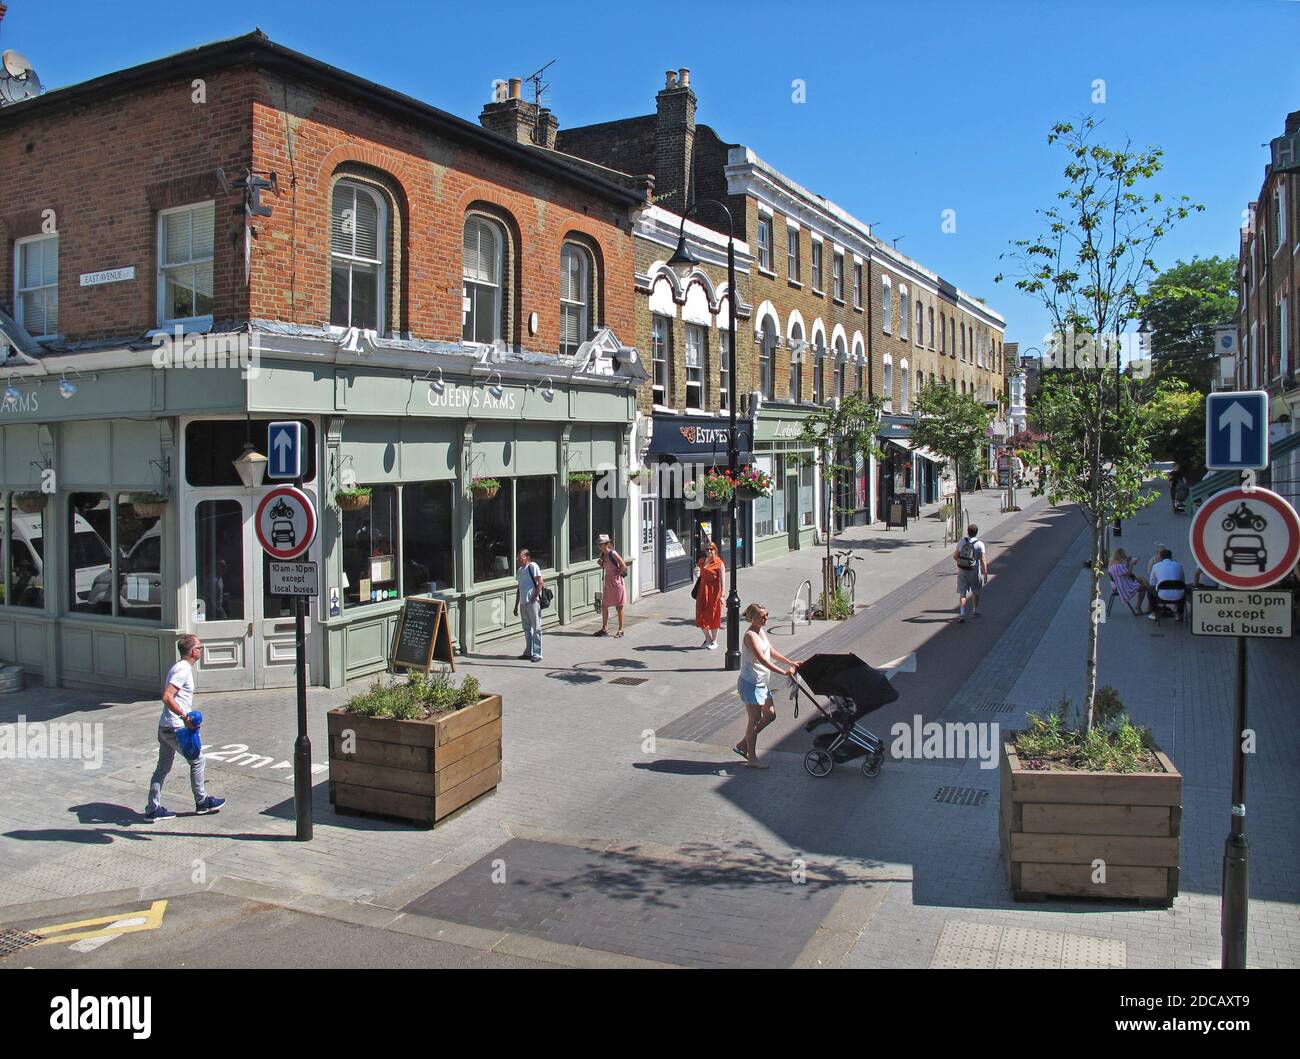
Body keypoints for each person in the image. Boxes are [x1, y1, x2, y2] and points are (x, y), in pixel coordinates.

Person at [143, 635, 225, 821]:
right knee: (197, 760)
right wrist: (185, 717)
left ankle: (152, 809)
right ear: (193, 651)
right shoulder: (182, 670)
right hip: (176, 728)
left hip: (166, 726)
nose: (202, 650)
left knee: (162, 767)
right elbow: (167, 696)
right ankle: (202, 802)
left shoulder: (179, 668)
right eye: (200, 647)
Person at [732, 603, 799, 769]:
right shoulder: (750, 635)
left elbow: (770, 650)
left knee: (770, 715)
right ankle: (752, 758)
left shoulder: (760, 631)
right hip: (750, 684)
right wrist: (784, 672)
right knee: (754, 720)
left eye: (766, 614)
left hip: (761, 683)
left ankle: (742, 745)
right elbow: (762, 659)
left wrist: (789, 662)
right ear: (752, 617)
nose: (766, 618)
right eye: (762, 616)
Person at [513, 548, 544, 662]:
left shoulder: (533, 566)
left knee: (536, 628)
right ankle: (528, 652)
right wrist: (516, 605)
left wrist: (535, 597)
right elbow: (519, 588)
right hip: (523, 602)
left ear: (527, 557)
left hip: (532, 602)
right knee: (526, 629)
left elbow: (540, 582)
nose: (518, 560)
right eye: (518, 558)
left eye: (520, 558)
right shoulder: (520, 570)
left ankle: (537, 653)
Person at [953, 523, 988, 622]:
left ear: (967, 532)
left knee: (962, 593)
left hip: (962, 570)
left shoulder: (962, 542)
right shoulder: (980, 544)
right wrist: (985, 574)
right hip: (974, 570)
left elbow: (955, 556)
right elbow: (983, 560)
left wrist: (962, 563)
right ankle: (975, 609)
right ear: (976, 532)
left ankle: (962, 613)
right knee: (976, 590)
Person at [594, 534, 627, 637]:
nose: (599, 546)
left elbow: (623, 565)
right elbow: (606, 566)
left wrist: (617, 574)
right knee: (604, 606)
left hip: (616, 583)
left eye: (601, 544)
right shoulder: (602, 555)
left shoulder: (613, 553)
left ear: (607, 544)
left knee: (619, 606)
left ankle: (621, 629)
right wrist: (600, 563)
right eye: (599, 544)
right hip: (608, 583)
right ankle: (604, 628)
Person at [694, 539, 725, 649]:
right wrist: (696, 572)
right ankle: (708, 638)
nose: (709, 551)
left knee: (713, 616)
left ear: (715, 550)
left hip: (714, 592)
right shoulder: (702, 561)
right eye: (707, 549)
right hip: (702, 591)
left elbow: (722, 580)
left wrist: (722, 595)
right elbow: (698, 572)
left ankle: (714, 641)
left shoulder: (719, 563)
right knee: (700, 615)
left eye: (711, 549)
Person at [1108, 548, 1151, 615]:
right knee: (1144, 586)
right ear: (1120, 557)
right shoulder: (1118, 566)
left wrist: (1128, 562)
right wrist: (1131, 564)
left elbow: (1125, 572)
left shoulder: (1113, 565)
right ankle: (1140, 606)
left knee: (1143, 579)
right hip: (1124, 587)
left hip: (1121, 583)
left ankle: (1149, 601)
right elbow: (1128, 574)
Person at [1148, 547, 1187, 621]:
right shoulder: (1179, 565)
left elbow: (1152, 582)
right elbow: (1182, 580)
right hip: (1178, 596)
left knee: (1150, 589)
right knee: (1183, 589)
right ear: (1171, 556)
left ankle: (1154, 613)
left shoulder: (1156, 566)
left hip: (1162, 596)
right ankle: (1179, 614)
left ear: (1160, 557)